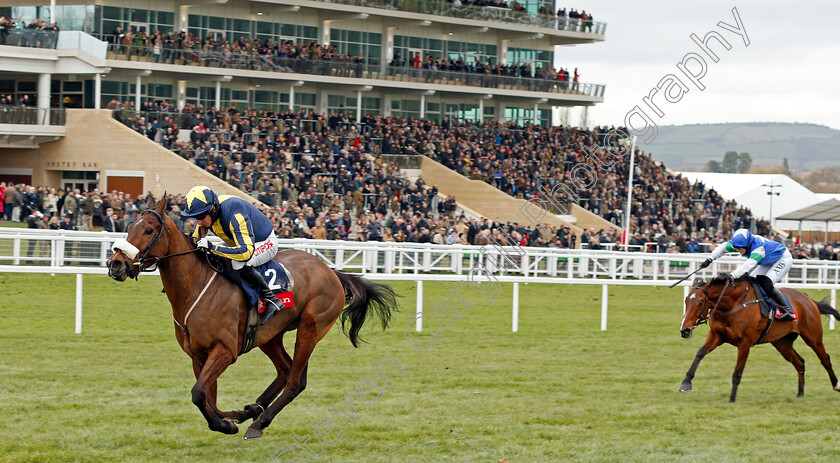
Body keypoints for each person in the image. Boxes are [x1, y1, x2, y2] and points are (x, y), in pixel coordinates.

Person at [181, 185, 282, 325]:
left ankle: (271, 298)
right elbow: (194, 242)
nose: (198, 221)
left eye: (201, 216)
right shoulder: (206, 215)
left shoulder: (234, 213)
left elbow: (245, 252)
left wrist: (212, 246)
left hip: (264, 241)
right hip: (239, 241)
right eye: (195, 217)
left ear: (213, 209)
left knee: (238, 262)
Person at [701, 228, 795, 321]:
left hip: (782, 258)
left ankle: (787, 311)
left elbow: (747, 266)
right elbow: (722, 248)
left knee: (766, 283)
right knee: (751, 282)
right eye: (737, 248)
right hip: (767, 261)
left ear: (749, 244)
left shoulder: (758, 249)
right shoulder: (740, 243)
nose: (739, 250)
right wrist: (710, 259)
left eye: (741, 248)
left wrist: (732, 276)